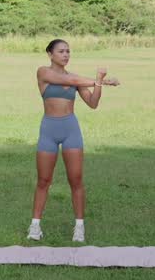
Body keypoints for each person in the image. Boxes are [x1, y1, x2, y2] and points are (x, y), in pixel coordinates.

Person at [29, 38, 118, 243]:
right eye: (61, 51)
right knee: (44, 180)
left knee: (76, 180)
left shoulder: (77, 79)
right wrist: (100, 81)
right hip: (48, 130)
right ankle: (35, 226)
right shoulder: (43, 72)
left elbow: (93, 103)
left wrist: (99, 81)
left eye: (68, 51)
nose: (66, 55)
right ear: (50, 54)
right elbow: (68, 82)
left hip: (71, 130)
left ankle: (79, 228)